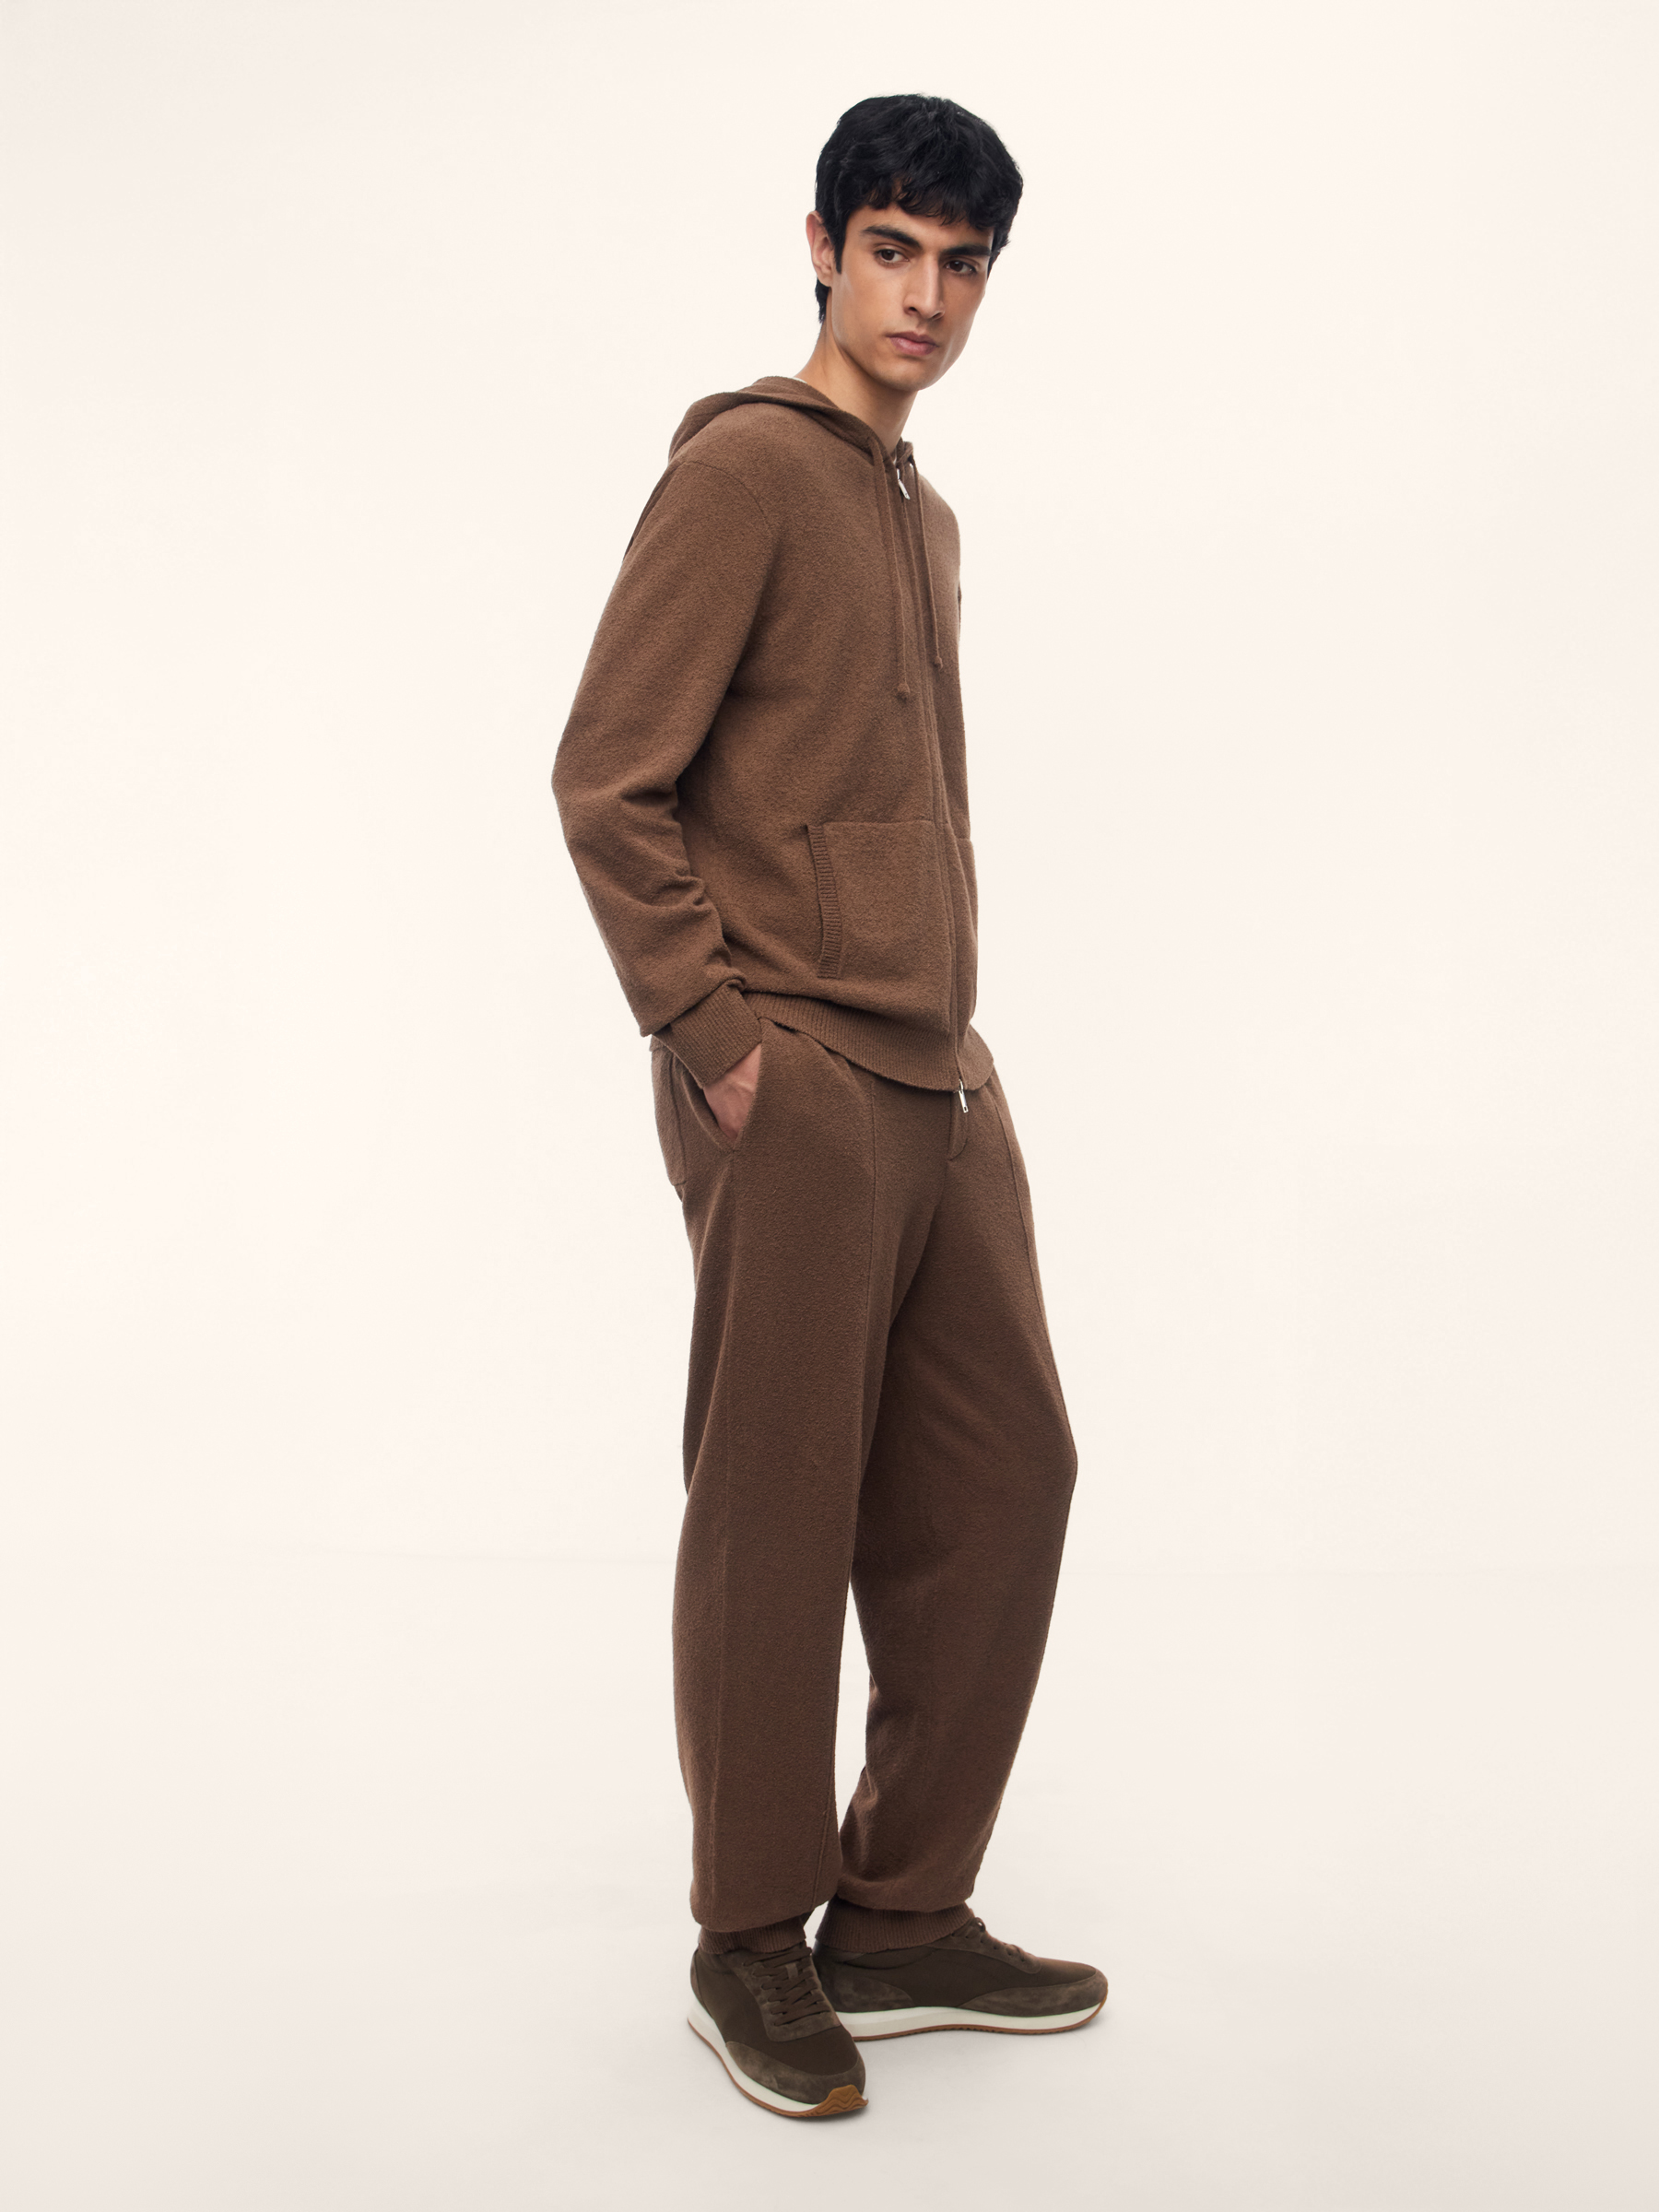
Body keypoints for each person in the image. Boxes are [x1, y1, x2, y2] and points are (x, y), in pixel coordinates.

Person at [553, 92, 1104, 2120]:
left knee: (1009, 1476)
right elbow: (604, 776)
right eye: (893, 250)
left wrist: (946, 1037)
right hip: (790, 1067)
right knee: (778, 1503)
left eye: (964, 266)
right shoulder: (749, 474)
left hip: (941, 1072)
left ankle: (899, 1914)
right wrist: (711, 1034)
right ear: (820, 247)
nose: (927, 297)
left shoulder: (922, 514)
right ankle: (748, 1939)